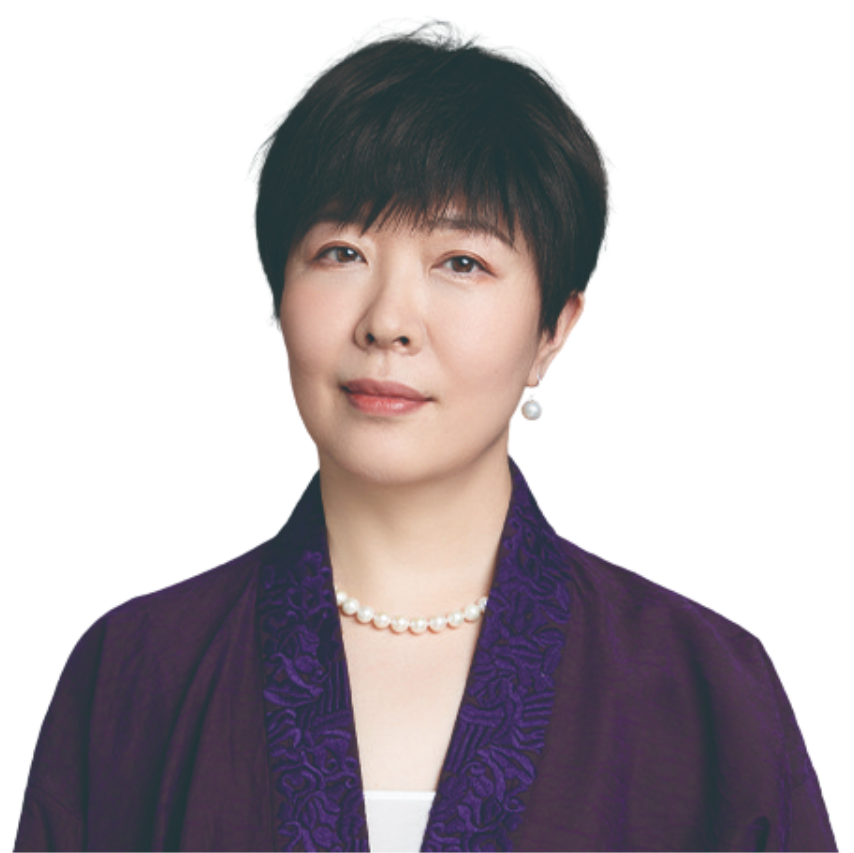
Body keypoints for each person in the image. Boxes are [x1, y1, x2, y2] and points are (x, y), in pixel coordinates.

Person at [14, 17, 837, 853]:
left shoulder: (706, 688)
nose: (389, 321)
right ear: (276, 295)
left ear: (554, 330)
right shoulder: (135, 669)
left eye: (461, 262)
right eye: (341, 251)